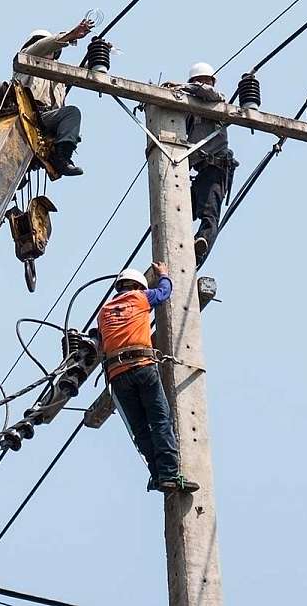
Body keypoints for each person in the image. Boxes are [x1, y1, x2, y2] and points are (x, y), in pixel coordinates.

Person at [96, 263, 200, 494]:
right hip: (142, 367)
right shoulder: (140, 297)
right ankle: (170, 474)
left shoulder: (103, 312)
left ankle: (158, 475)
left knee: (141, 429)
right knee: (161, 420)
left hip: (117, 375)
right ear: (138, 286)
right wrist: (163, 273)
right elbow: (164, 292)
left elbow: (101, 341)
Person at [0, 19, 96, 176]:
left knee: (72, 113)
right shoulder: (26, 59)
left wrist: (98, 54)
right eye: (40, 43)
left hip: (45, 121)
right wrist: (71, 35)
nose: (45, 48)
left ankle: (62, 158)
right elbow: (43, 45)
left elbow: (82, 74)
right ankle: (3, 168)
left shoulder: (58, 75)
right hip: (23, 114)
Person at [164, 62, 240, 265]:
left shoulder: (216, 100)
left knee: (210, 214)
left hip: (217, 169)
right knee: (178, 210)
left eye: (205, 80)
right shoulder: (190, 111)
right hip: (200, 171)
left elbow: (208, 93)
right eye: (198, 80)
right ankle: (179, 247)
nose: (202, 83)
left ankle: (201, 245)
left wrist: (182, 87)